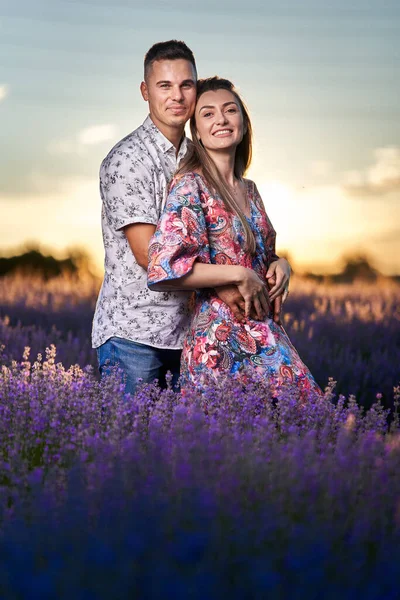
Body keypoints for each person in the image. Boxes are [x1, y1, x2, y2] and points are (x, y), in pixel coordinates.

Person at [92, 41, 290, 395]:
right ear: (145, 91)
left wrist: (278, 263)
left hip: (193, 332)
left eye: (186, 85)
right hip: (137, 335)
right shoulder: (127, 160)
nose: (177, 96)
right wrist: (231, 278)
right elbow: (149, 256)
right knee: (131, 445)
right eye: (164, 85)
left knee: (183, 448)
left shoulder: (199, 157)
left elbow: (231, 241)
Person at [147, 77, 321, 397]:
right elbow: (162, 267)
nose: (222, 119)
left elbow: (262, 258)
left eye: (230, 110)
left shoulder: (250, 191)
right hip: (218, 341)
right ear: (196, 131)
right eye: (208, 114)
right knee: (295, 418)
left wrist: (282, 265)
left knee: (301, 425)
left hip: (263, 329)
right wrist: (237, 274)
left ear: (243, 122)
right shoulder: (190, 186)